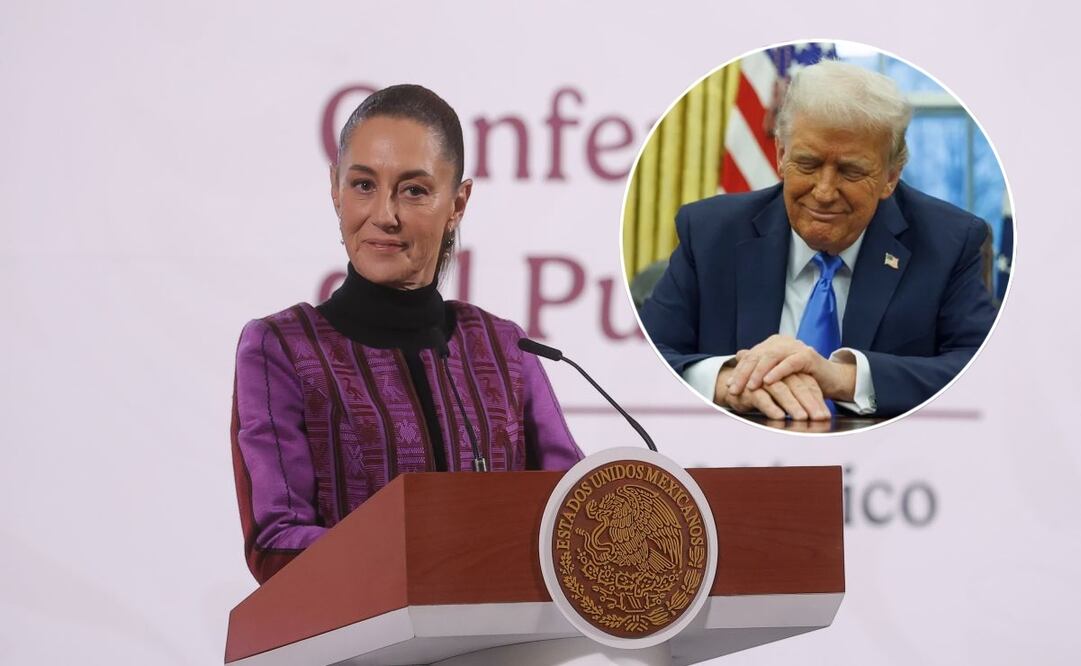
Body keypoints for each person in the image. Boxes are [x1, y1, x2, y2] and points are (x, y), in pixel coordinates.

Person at [230, 84, 583, 584]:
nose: (384, 215)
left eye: (414, 190)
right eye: (363, 185)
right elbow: (276, 541)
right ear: (334, 189)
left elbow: (579, 513)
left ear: (458, 202)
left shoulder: (506, 348)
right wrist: (435, 553)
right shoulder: (282, 348)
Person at [639, 61, 997, 421]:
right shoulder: (710, 232)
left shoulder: (950, 242)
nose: (824, 192)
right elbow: (645, 355)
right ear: (781, 155)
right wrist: (729, 382)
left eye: (851, 171)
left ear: (891, 175)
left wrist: (844, 378)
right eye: (807, 164)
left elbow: (983, 371)